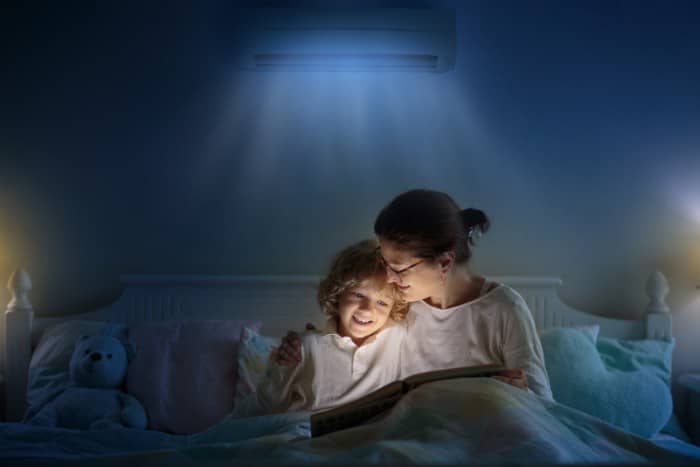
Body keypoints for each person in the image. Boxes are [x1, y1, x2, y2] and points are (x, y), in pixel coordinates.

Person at [277, 189, 553, 400]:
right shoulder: (400, 302)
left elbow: (542, 404)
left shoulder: (504, 308)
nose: (388, 278)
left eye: (397, 268)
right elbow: (353, 337)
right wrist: (308, 345)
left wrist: (516, 393)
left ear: (444, 263)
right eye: (384, 264)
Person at [233, 238, 409, 416]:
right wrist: (281, 368)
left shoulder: (398, 339)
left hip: (366, 436)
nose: (367, 309)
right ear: (338, 294)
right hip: (307, 433)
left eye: (381, 302)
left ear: (392, 309)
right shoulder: (307, 346)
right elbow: (267, 408)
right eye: (358, 294)